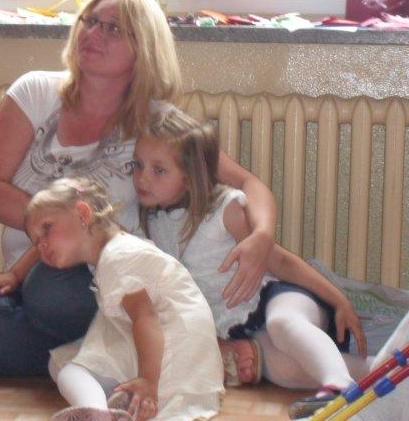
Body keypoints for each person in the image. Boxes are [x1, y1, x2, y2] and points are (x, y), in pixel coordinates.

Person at [0, 0, 278, 377]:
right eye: (89, 21)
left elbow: (248, 184)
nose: (93, 33)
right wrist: (62, 230)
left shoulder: (155, 123)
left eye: (112, 28)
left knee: (50, 296)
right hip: (27, 274)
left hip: (104, 280)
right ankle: (142, 355)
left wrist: (262, 236)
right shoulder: (35, 91)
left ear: (144, 48)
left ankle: (118, 355)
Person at [133, 107, 371, 419]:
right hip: (242, 325)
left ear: (189, 179)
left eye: (158, 170)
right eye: (137, 165)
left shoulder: (224, 210)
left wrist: (339, 300)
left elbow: (278, 260)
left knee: (283, 324)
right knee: (282, 370)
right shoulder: (153, 225)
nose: (142, 178)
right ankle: (381, 370)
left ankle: (339, 386)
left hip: (277, 297)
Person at [26, 178, 224, 421]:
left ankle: (97, 413)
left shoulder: (118, 258)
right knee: (61, 362)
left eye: (46, 228)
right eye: (36, 241)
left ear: (82, 213)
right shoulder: (118, 251)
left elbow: (145, 319)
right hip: (176, 350)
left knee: (71, 372)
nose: (42, 245)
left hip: (173, 353)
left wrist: (148, 381)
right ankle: (114, 406)